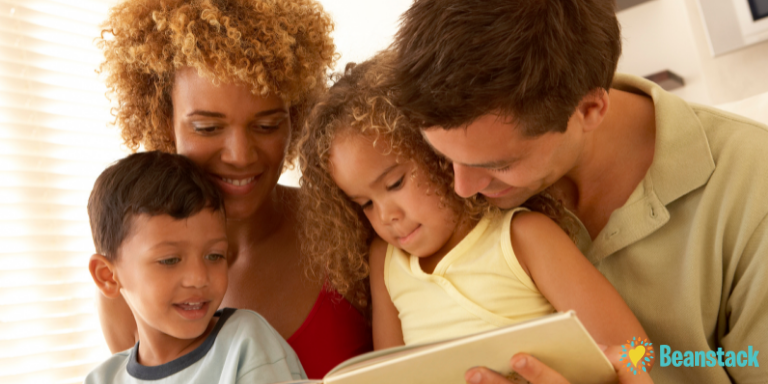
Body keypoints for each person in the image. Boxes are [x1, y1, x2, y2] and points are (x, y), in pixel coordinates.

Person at [388, 0, 768, 383]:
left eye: (498, 165)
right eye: (444, 157)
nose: (461, 189)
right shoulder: (438, 197)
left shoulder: (753, 185)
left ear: (589, 109)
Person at [298, 53, 651, 383]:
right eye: (365, 204)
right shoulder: (386, 261)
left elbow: (638, 352)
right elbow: (394, 376)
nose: (387, 215)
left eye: (395, 184)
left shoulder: (523, 237)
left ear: (439, 152)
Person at [95, 0, 372, 378]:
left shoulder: (354, 224)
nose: (240, 156)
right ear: (163, 120)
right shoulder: (126, 286)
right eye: (207, 128)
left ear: (294, 118)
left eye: (267, 126)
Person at [86, 151, 305, 383]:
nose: (199, 278)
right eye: (170, 260)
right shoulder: (102, 379)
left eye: (214, 255)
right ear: (107, 276)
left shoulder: (246, 344)